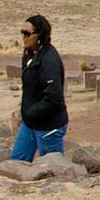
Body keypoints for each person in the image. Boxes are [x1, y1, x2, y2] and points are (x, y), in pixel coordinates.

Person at [12, 14, 66, 161]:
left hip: (49, 126)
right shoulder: (30, 55)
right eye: (22, 32)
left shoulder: (49, 61)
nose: (23, 37)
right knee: (17, 161)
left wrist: (30, 112)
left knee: (53, 168)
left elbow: (54, 97)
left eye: (27, 34)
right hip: (30, 123)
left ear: (39, 35)